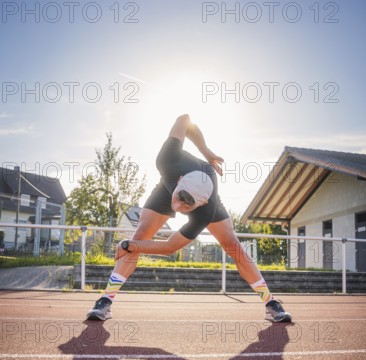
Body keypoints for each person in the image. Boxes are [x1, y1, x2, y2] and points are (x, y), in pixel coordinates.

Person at [87, 114, 292, 323]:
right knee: (141, 235)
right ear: (181, 179)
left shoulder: (206, 211)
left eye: (186, 206)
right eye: (179, 199)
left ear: (200, 204)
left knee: (232, 244)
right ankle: (106, 300)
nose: (178, 207)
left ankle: (270, 302)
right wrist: (206, 151)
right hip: (167, 188)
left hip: (197, 193)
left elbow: (169, 247)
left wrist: (127, 244)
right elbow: (184, 119)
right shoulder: (167, 160)